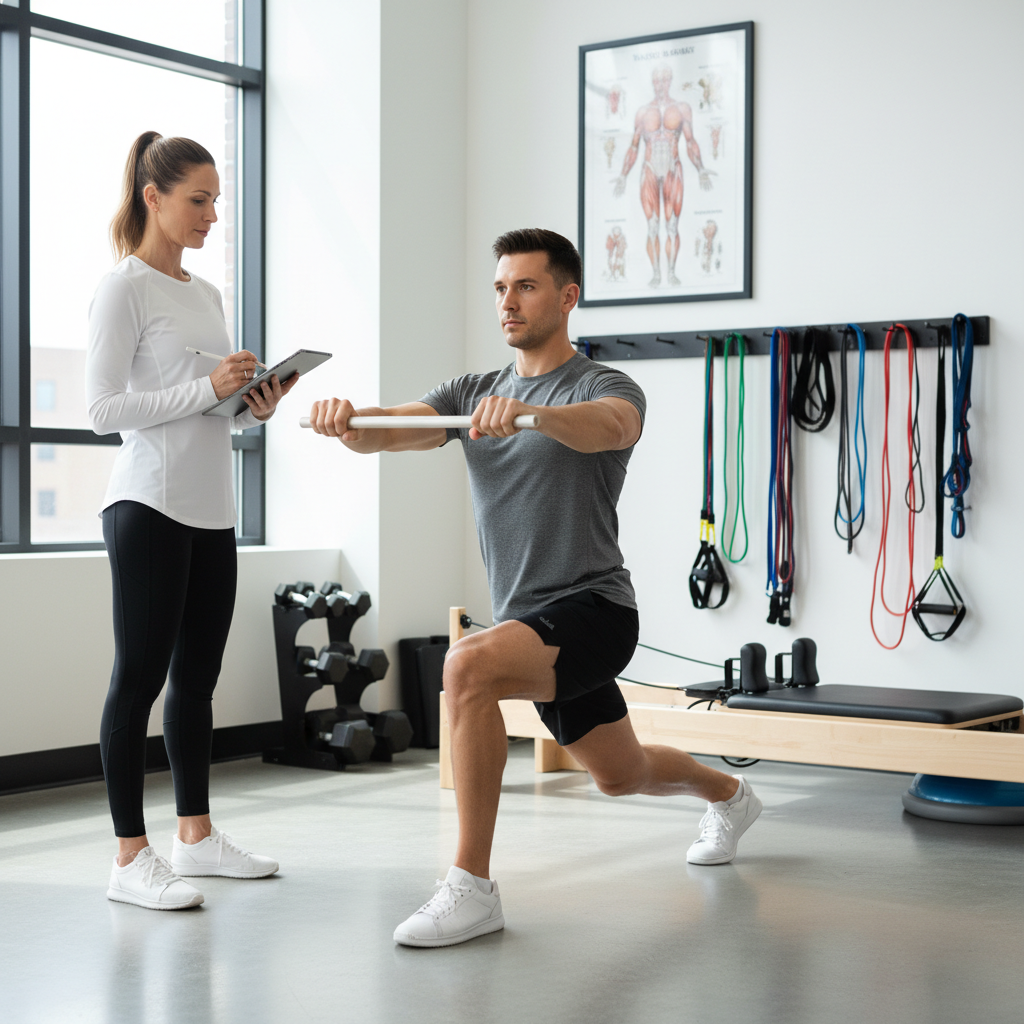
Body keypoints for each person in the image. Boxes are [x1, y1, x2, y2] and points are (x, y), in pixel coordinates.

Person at [308, 228, 762, 948]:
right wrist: (350, 424)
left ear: (567, 295)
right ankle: (731, 796)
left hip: (595, 611)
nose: (508, 302)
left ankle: (471, 888)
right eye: (499, 288)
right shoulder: (472, 393)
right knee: (622, 773)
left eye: (525, 286)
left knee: (467, 663)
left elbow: (612, 428)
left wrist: (534, 415)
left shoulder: (603, 385)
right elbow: (398, 432)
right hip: (533, 624)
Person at [86, 131, 296, 911]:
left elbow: (211, 411)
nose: (212, 215)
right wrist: (208, 386)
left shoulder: (204, 295)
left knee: (196, 683)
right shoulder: (125, 288)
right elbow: (104, 410)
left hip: (212, 510)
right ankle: (128, 857)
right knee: (137, 678)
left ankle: (196, 840)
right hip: (146, 504)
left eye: (216, 200)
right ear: (154, 197)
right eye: (198, 199)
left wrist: (251, 407)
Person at [613, 65, 714, 287]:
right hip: (649, 168)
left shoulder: (681, 108)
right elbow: (633, 146)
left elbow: (690, 141)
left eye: (663, 80)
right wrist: (622, 175)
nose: (660, 84)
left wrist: (701, 168)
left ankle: (671, 272)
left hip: (672, 168)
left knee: (671, 226)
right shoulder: (642, 112)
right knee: (652, 226)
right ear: (652, 82)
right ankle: (656, 273)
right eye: (656, 80)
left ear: (669, 81)